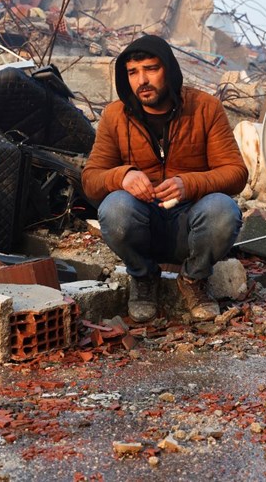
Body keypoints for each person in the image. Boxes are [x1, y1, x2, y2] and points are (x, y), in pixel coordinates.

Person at [82, 34, 248, 323]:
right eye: (133, 73)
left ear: (168, 70)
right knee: (114, 208)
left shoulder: (205, 108)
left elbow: (236, 173)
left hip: (191, 226)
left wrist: (190, 184)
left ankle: (193, 280)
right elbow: (91, 180)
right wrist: (123, 176)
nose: (141, 80)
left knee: (224, 210)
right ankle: (144, 278)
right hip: (141, 226)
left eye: (151, 69)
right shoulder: (114, 116)